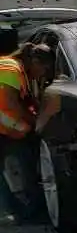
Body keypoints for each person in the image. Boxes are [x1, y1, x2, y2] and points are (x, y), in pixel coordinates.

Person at [0, 42, 55, 221]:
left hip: (4, 126)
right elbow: (8, 103)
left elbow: (22, 101)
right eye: (43, 69)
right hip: (4, 126)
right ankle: (28, 212)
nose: (43, 74)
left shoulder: (15, 68)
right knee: (25, 160)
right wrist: (26, 125)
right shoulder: (11, 70)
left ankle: (21, 210)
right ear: (35, 62)